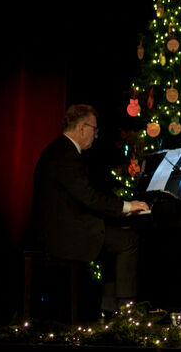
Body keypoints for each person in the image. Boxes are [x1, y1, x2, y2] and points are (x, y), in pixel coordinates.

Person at [33, 104, 148, 310]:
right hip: (64, 235)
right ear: (82, 128)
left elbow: (88, 194)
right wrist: (127, 206)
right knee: (129, 241)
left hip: (62, 228)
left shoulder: (60, 149)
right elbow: (89, 197)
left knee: (116, 239)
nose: (96, 136)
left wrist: (120, 208)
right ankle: (127, 311)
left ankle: (109, 307)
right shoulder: (66, 155)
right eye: (95, 130)